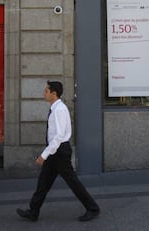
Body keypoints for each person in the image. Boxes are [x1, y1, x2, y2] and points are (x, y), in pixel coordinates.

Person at [17, 81, 100, 222]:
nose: (44, 93)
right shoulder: (55, 108)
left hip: (59, 152)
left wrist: (44, 155)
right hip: (54, 151)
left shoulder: (59, 109)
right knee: (43, 182)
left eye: (46, 91)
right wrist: (48, 153)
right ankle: (33, 211)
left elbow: (60, 135)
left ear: (54, 94)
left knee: (73, 182)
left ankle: (93, 208)